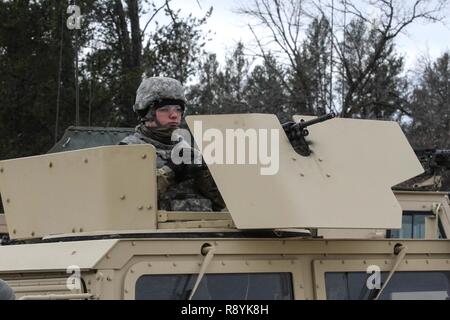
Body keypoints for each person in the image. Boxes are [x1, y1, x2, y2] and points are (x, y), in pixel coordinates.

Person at [120, 76, 225, 212]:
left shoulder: (190, 151)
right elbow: (127, 200)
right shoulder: (129, 150)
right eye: (165, 109)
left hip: (204, 229)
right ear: (148, 113)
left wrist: (203, 174)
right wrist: (170, 171)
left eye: (178, 109)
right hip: (154, 232)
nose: (174, 115)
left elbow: (223, 204)